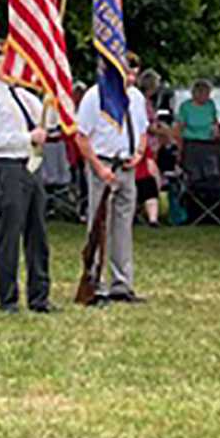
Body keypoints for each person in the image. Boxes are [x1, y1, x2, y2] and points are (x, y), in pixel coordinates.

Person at [0, 40, 55, 314]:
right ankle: (8, 297)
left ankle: (39, 295)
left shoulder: (23, 95)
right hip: (7, 166)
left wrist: (51, 100)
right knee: (10, 233)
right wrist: (26, 137)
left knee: (38, 233)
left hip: (31, 166)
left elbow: (48, 122)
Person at [76, 52, 148, 304]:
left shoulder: (136, 98)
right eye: (127, 71)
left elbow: (142, 130)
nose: (132, 77)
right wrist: (98, 167)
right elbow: (82, 137)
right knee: (98, 225)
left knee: (123, 226)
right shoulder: (95, 96)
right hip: (103, 165)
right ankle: (96, 283)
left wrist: (139, 153)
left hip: (126, 166)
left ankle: (122, 283)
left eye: (134, 72)